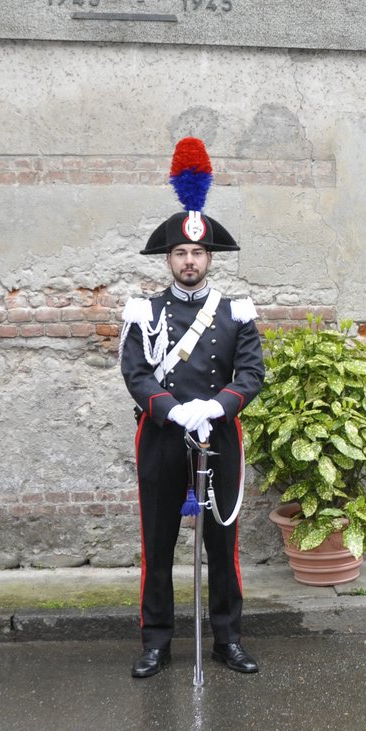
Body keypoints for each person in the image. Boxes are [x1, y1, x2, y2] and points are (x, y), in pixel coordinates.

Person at [121, 138, 264, 677]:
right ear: (169, 259)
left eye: (197, 253)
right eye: (180, 253)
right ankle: (156, 641)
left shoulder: (236, 312)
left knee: (222, 544)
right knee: (157, 543)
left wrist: (218, 407)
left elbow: (252, 374)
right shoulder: (144, 311)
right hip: (162, 434)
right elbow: (135, 372)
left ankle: (227, 638)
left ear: (209, 258)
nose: (189, 261)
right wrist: (171, 410)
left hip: (217, 436)